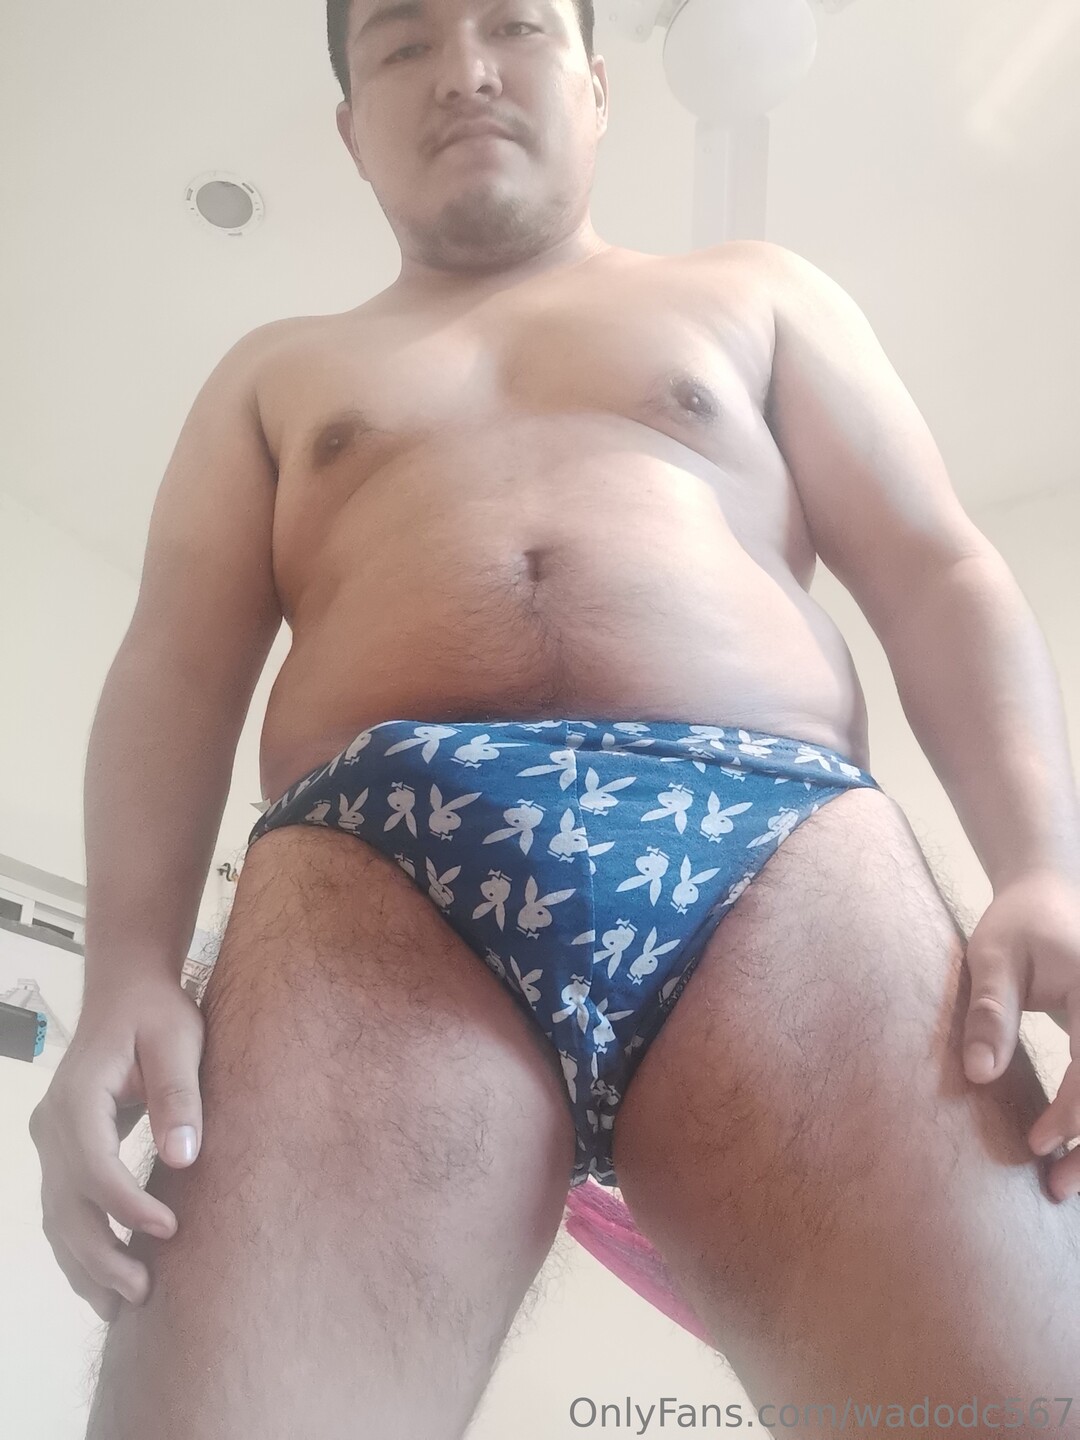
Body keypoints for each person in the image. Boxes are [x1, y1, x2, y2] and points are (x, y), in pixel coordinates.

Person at [29, 0, 1080, 1435]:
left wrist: (1043, 867)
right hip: (373, 866)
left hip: (775, 845)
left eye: (514, 25)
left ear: (595, 87)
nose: (463, 68)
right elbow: (172, 664)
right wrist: (125, 978)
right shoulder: (274, 371)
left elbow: (938, 568)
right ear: (349, 129)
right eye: (401, 43)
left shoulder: (756, 292)